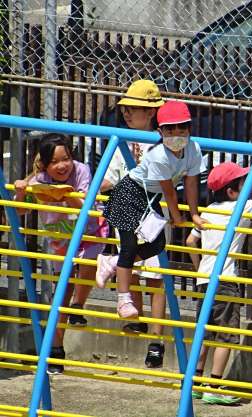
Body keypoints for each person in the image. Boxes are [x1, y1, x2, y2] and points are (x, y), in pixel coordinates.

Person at [185, 161, 252, 405]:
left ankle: (195, 384)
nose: (247, 187)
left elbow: (190, 242)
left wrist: (200, 267)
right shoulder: (241, 207)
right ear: (232, 191)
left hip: (205, 280)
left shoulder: (208, 210)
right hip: (225, 280)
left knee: (205, 332)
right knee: (226, 335)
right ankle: (214, 387)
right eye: (243, 183)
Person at [96, 98, 206, 322]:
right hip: (128, 195)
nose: (176, 134)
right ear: (160, 132)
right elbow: (169, 191)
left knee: (157, 245)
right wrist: (177, 217)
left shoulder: (193, 149)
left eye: (181, 128)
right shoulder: (159, 155)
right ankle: (124, 300)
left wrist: (194, 214)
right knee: (129, 246)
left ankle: (112, 262)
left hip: (149, 199)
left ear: (189, 129)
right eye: (169, 130)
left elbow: (192, 182)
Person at [14, 133, 107, 374]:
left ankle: (78, 306)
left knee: (89, 263)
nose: (62, 165)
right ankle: (56, 350)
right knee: (61, 294)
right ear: (45, 165)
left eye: (66, 158)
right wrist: (22, 191)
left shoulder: (82, 170)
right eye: (55, 162)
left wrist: (66, 194)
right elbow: (21, 211)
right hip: (61, 238)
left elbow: (87, 207)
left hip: (89, 230)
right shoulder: (39, 179)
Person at [98, 79, 169, 368]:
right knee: (132, 265)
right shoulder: (121, 140)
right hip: (128, 206)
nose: (127, 114)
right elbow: (110, 176)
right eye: (125, 109)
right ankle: (134, 315)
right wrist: (95, 188)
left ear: (150, 112)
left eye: (133, 109)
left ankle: (157, 341)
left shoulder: (162, 140)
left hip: (151, 211)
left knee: (156, 275)